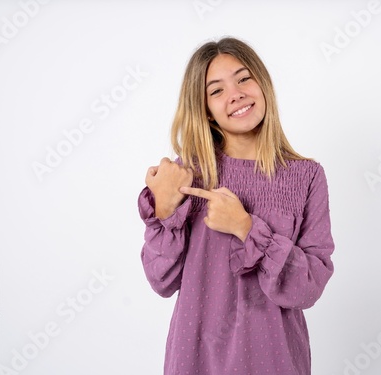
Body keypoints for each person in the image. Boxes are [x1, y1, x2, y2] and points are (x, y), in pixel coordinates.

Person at [138, 36, 335, 375]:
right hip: (195, 359)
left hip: (275, 360)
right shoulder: (187, 174)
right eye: (216, 91)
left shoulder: (307, 176)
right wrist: (165, 210)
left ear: (262, 83)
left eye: (244, 78)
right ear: (206, 111)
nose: (236, 94)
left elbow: (309, 288)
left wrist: (246, 227)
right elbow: (161, 281)